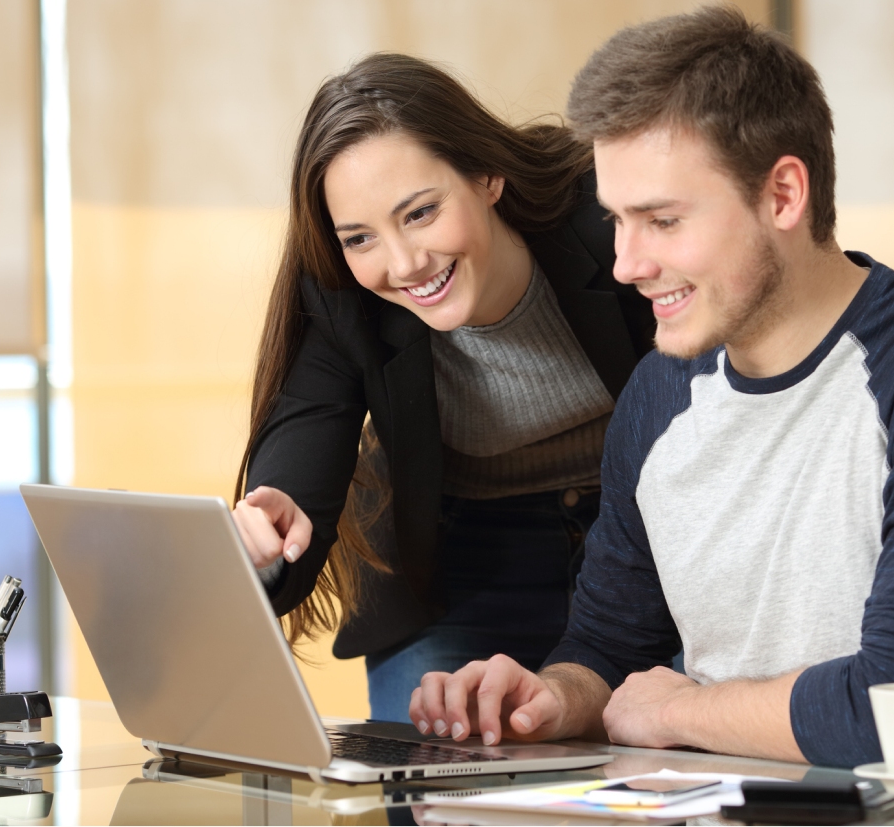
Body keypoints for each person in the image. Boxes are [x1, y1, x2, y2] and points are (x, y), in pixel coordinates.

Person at [409, 5, 894, 768]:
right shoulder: (657, 394)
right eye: (616, 219)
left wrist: (684, 706)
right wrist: (552, 695)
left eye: (662, 220)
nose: (625, 263)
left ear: (782, 195)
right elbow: (611, 645)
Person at [231, 53, 655, 720]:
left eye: (421, 213)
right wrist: (267, 524)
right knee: (435, 786)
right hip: (459, 562)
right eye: (360, 237)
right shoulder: (345, 290)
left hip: (641, 536)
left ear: (487, 175)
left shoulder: (605, 216)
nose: (402, 264)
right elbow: (302, 435)